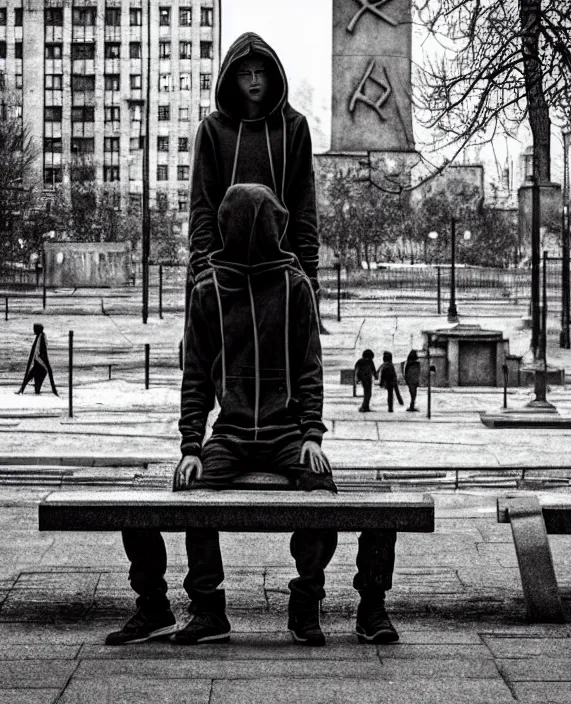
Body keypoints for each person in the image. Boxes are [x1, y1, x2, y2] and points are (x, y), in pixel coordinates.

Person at [108, 185, 398, 648]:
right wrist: (191, 447)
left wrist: (312, 434)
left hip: (288, 433)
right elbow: (196, 376)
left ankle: (306, 602)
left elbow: (310, 367)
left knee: (322, 495)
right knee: (193, 496)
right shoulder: (208, 289)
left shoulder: (294, 285)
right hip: (231, 434)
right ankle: (208, 611)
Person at [185, 32, 320, 333]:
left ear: (273, 75)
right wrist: (204, 271)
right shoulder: (212, 131)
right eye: (245, 73)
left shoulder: (294, 128)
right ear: (232, 79)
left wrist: (309, 275)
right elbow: (202, 207)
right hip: (222, 274)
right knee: (216, 368)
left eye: (261, 72)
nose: (254, 80)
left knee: (282, 367)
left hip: (280, 273)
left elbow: (304, 207)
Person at [17, 323, 58, 396]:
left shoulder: (41, 338)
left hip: (40, 365)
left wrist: (44, 364)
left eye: (35, 329)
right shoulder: (40, 336)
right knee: (29, 378)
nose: (34, 330)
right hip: (38, 363)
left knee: (35, 386)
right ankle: (21, 390)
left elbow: (41, 352)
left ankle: (23, 390)